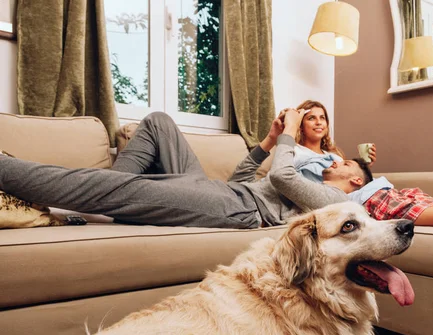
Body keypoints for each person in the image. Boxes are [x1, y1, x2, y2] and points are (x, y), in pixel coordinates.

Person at [0, 109, 372, 229]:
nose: (337, 161)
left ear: (355, 179)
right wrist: (273, 139)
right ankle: (85, 202)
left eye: (346, 163)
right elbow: (240, 179)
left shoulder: (333, 201)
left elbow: (280, 176)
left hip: (238, 211)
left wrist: (292, 131)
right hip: (226, 192)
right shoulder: (312, 179)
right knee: (160, 121)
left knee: (121, 190)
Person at [291, 100, 433, 231]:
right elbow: (311, 189)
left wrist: (365, 167)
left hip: (361, 189)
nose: (319, 122)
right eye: (312, 117)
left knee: (410, 194)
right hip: (342, 202)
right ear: (300, 124)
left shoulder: (333, 154)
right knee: (384, 201)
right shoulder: (297, 154)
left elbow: (350, 177)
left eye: (323, 118)